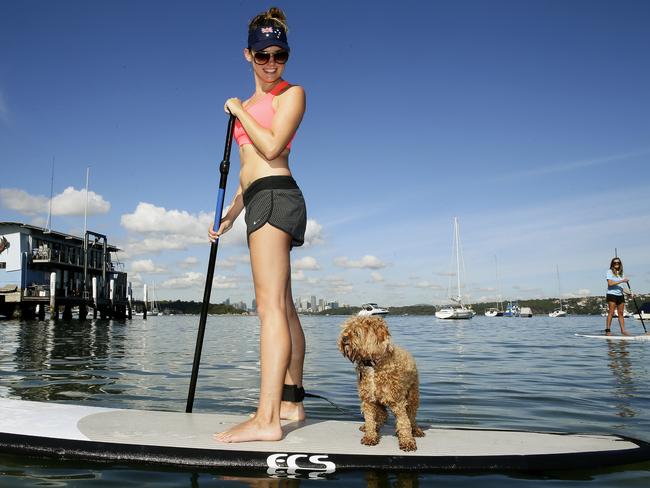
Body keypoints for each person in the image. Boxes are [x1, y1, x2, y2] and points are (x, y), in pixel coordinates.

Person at [209, 7, 307, 443]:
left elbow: (270, 147)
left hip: (276, 196)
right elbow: (247, 170)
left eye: (279, 56)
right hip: (257, 199)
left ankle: (267, 419)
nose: (271, 64)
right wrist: (229, 216)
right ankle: (291, 403)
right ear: (247, 55)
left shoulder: (291, 94)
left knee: (268, 309)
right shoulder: (248, 106)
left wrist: (237, 110)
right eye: (263, 55)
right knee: (283, 307)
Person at [605, 257, 631, 336]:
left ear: (620, 264)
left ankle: (623, 331)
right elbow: (610, 284)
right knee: (611, 312)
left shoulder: (621, 273)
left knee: (620, 313)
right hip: (611, 294)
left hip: (620, 295)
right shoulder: (609, 272)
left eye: (618, 263)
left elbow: (621, 287)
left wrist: (629, 293)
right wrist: (622, 280)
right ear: (612, 264)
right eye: (615, 263)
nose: (616, 264)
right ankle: (608, 330)